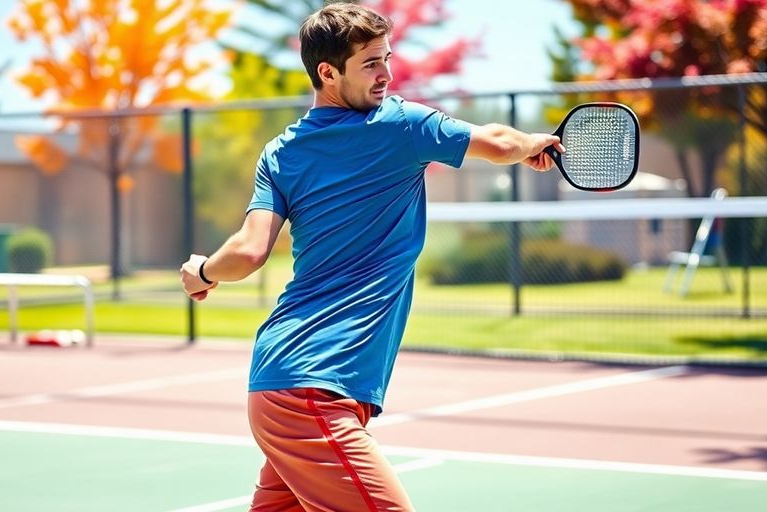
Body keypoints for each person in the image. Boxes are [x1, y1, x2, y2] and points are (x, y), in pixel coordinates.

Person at [180, 3, 564, 510]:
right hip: (313, 393)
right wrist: (530, 142)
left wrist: (202, 270)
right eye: (370, 64)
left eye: (387, 58)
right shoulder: (400, 125)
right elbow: (496, 141)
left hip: (283, 384)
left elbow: (248, 252)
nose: (386, 74)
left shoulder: (280, 152)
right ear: (327, 72)